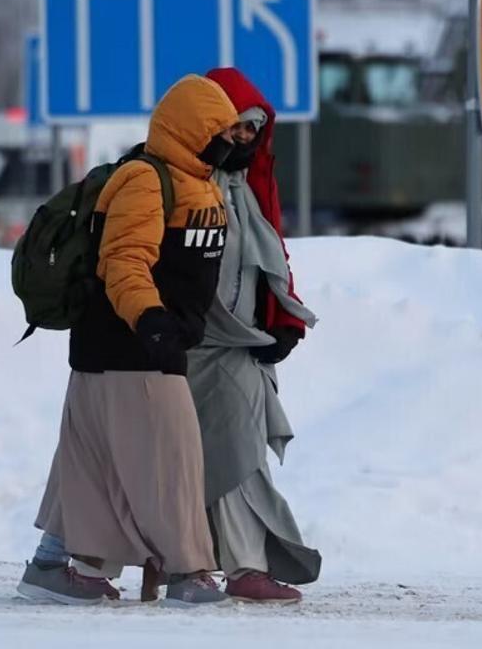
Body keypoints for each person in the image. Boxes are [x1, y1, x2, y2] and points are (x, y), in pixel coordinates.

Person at [18, 74, 241, 607]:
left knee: (96, 463)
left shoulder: (199, 182)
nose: (232, 143)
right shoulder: (146, 180)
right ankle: (188, 573)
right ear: (193, 130)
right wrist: (151, 320)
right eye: (224, 132)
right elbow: (123, 260)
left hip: (118, 349)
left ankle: (54, 566)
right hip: (136, 347)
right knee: (174, 460)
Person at [186, 66, 320, 603]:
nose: (245, 138)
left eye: (253, 131)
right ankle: (207, 565)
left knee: (239, 448)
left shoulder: (251, 185)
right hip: (187, 342)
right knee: (202, 455)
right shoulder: (181, 181)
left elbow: (271, 255)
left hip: (240, 345)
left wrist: (283, 319)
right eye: (237, 126)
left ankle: (242, 567)